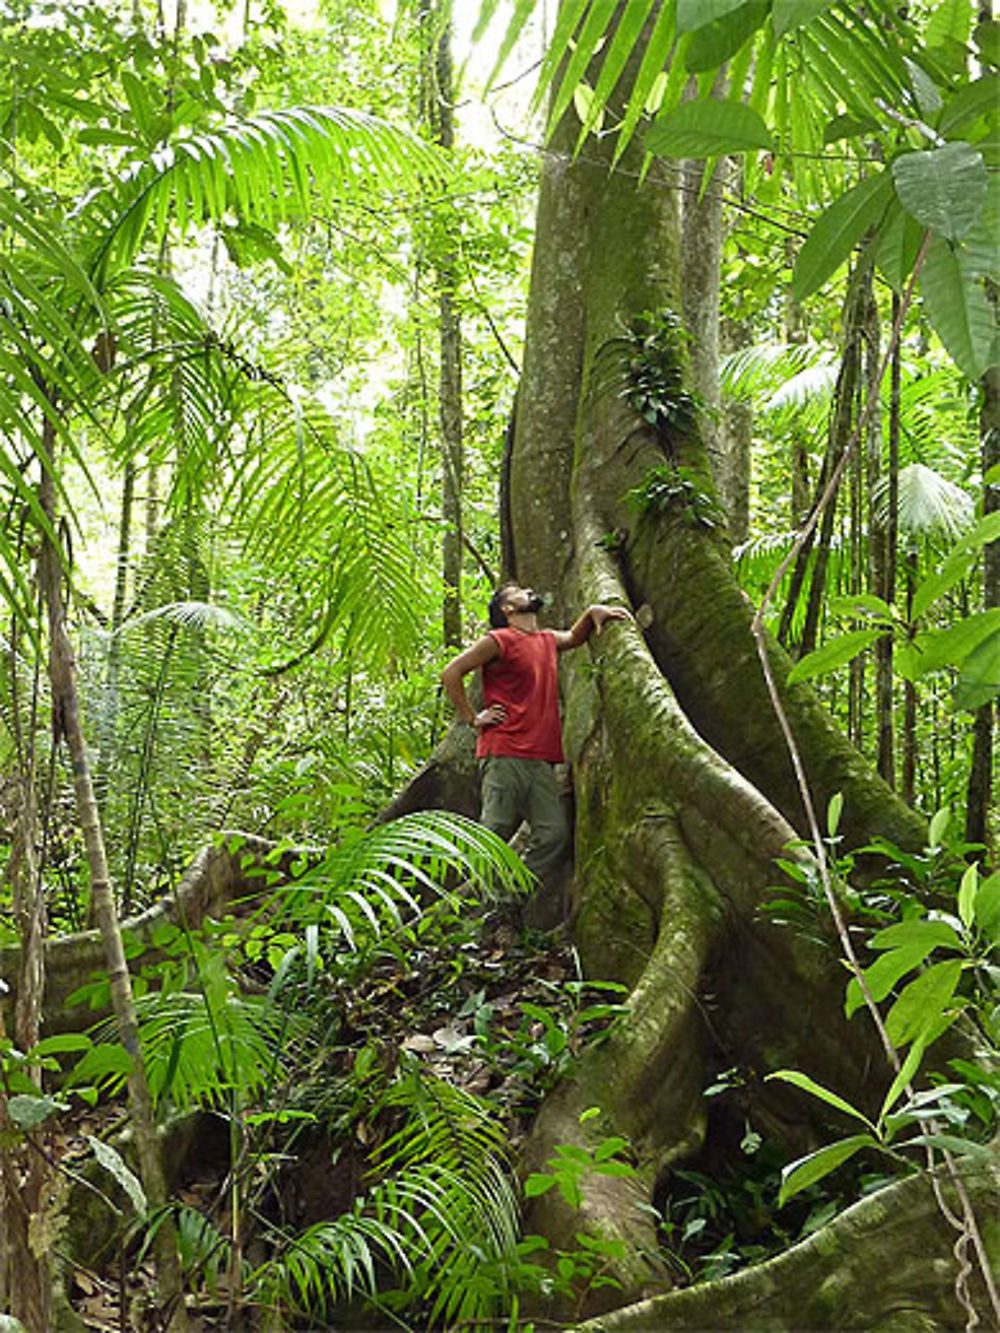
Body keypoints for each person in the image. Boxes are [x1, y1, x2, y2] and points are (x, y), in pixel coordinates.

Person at [441, 582, 629, 881]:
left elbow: (574, 637)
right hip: (504, 753)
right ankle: (491, 913)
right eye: (517, 591)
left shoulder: (546, 639)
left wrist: (594, 612)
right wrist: (473, 718)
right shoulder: (498, 640)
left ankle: (510, 900)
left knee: (553, 834)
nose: (527, 590)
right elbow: (451, 672)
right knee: (494, 832)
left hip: (540, 760)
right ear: (507, 609)